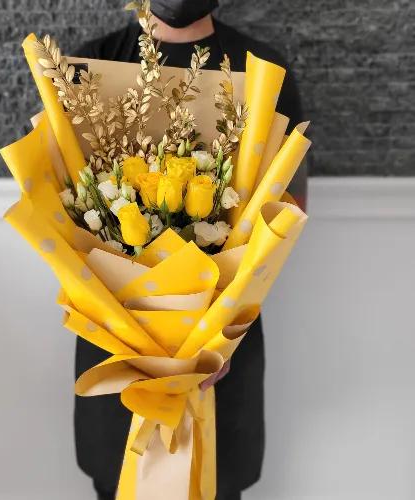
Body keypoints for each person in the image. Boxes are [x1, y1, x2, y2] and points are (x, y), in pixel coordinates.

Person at [73, 2, 307, 499]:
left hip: (223, 351)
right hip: (118, 346)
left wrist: (215, 340)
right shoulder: (88, 68)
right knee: (119, 479)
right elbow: (68, 210)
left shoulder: (263, 70)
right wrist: (137, 339)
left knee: (215, 480)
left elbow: (285, 218)